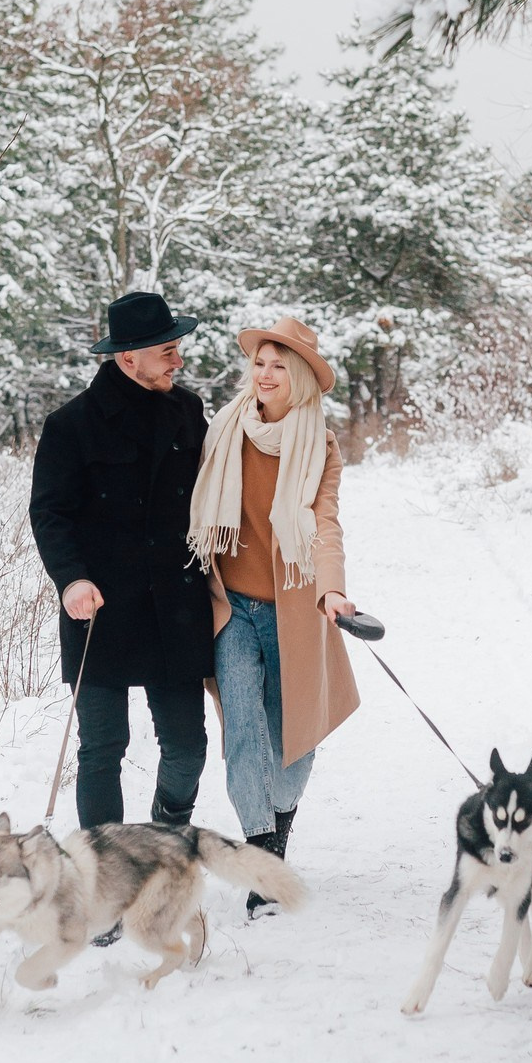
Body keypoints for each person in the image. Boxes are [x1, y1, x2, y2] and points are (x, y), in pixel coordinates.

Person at [187, 317, 360, 916]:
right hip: (230, 608)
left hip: (295, 607)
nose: (264, 374)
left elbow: (326, 524)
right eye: (259, 362)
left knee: (295, 738)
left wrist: (333, 591)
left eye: (278, 365)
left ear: (303, 379)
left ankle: (279, 824)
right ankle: (262, 857)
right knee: (243, 733)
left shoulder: (321, 446)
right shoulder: (224, 431)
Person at [29, 291, 213, 836]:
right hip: (101, 606)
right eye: (167, 352)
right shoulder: (72, 425)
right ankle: (103, 874)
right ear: (127, 358)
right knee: (102, 747)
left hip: (176, 606)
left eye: (177, 348)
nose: (178, 360)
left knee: (188, 748)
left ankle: (165, 834)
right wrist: (72, 579)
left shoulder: (189, 411)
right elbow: (50, 512)